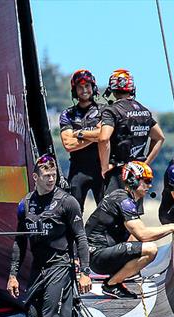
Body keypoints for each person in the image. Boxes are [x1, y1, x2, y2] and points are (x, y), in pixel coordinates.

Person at [8, 154, 92, 317]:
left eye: (53, 175)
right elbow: (19, 242)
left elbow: (81, 238)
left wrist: (84, 271)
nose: (50, 179)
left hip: (60, 266)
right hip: (37, 270)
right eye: (46, 176)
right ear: (35, 177)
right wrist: (13, 275)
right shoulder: (25, 204)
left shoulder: (67, 202)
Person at [85, 161, 174, 298]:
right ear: (133, 181)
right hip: (97, 256)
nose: (149, 185)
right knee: (150, 249)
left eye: (150, 181)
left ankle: (116, 280)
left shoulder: (126, 198)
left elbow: (135, 237)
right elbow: (143, 235)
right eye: (146, 181)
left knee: (141, 248)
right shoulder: (123, 200)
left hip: (101, 253)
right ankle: (111, 284)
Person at [97, 69, 165, 195]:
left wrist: (105, 168)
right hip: (137, 174)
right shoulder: (144, 111)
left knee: (113, 211)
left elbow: (103, 139)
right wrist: (145, 164)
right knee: (132, 212)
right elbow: (160, 137)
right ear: (132, 88)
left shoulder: (112, 111)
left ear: (111, 89)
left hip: (118, 172)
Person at [60, 69, 103, 214]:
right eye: (80, 87)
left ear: (93, 88)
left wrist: (80, 134)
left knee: (107, 214)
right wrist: (95, 135)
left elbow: (105, 136)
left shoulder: (105, 111)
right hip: (78, 170)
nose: (84, 90)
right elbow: (68, 144)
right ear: (74, 90)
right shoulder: (67, 114)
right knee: (73, 214)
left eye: (87, 86)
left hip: (101, 169)